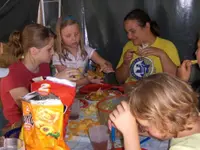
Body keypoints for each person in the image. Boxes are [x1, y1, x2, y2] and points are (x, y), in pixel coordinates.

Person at [0, 24, 80, 134]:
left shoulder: (43, 66)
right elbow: (34, 109)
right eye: (49, 49)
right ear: (33, 51)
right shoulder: (12, 76)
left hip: (43, 123)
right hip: (19, 130)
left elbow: (50, 100)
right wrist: (55, 81)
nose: (53, 52)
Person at [109, 73, 200, 150]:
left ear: (165, 121)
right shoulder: (188, 119)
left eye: (146, 127)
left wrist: (129, 133)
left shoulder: (187, 147)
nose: (145, 130)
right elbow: (160, 129)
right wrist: (130, 127)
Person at [116, 9, 180, 84]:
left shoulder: (167, 46)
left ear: (147, 26)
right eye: (127, 32)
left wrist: (162, 54)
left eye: (133, 31)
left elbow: (175, 81)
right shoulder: (128, 46)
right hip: (132, 93)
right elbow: (120, 80)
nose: (129, 36)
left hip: (157, 94)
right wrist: (125, 64)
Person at [52, 16, 114, 86]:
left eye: (76, 34)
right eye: (68, 36)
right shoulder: (57, 56)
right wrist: (88, 80)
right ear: (60, 38)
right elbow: (70, 82)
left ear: (80, 33)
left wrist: (105, 66)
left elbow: (105, 62)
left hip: (81, 91)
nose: (74, 38)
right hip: (64, 92)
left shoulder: (86, 50)